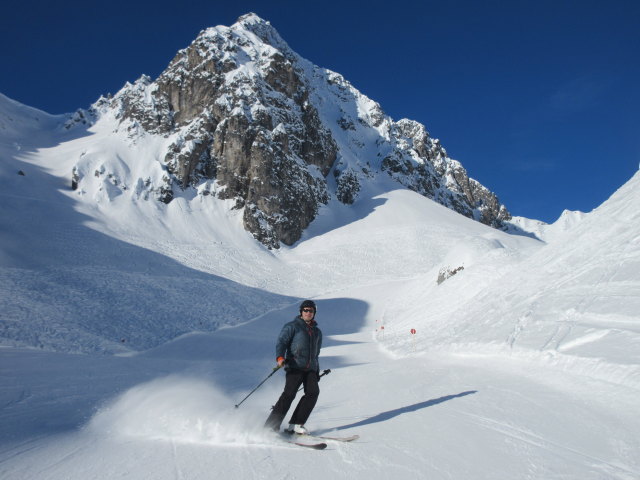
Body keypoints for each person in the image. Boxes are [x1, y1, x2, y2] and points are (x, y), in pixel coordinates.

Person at [264, 300, 322, 434]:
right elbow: (281, 342)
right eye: (306, 310)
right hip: (295, 366)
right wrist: (280, 357)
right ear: (301, 312)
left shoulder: (317, 332)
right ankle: (271, 426)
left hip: (311, 369)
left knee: (313, 393)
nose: (308, 313)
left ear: (314, 313)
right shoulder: (293, 326)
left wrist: (317, 370)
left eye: (311, 311)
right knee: (289, 395)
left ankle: (296, 424)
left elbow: (316, 353)